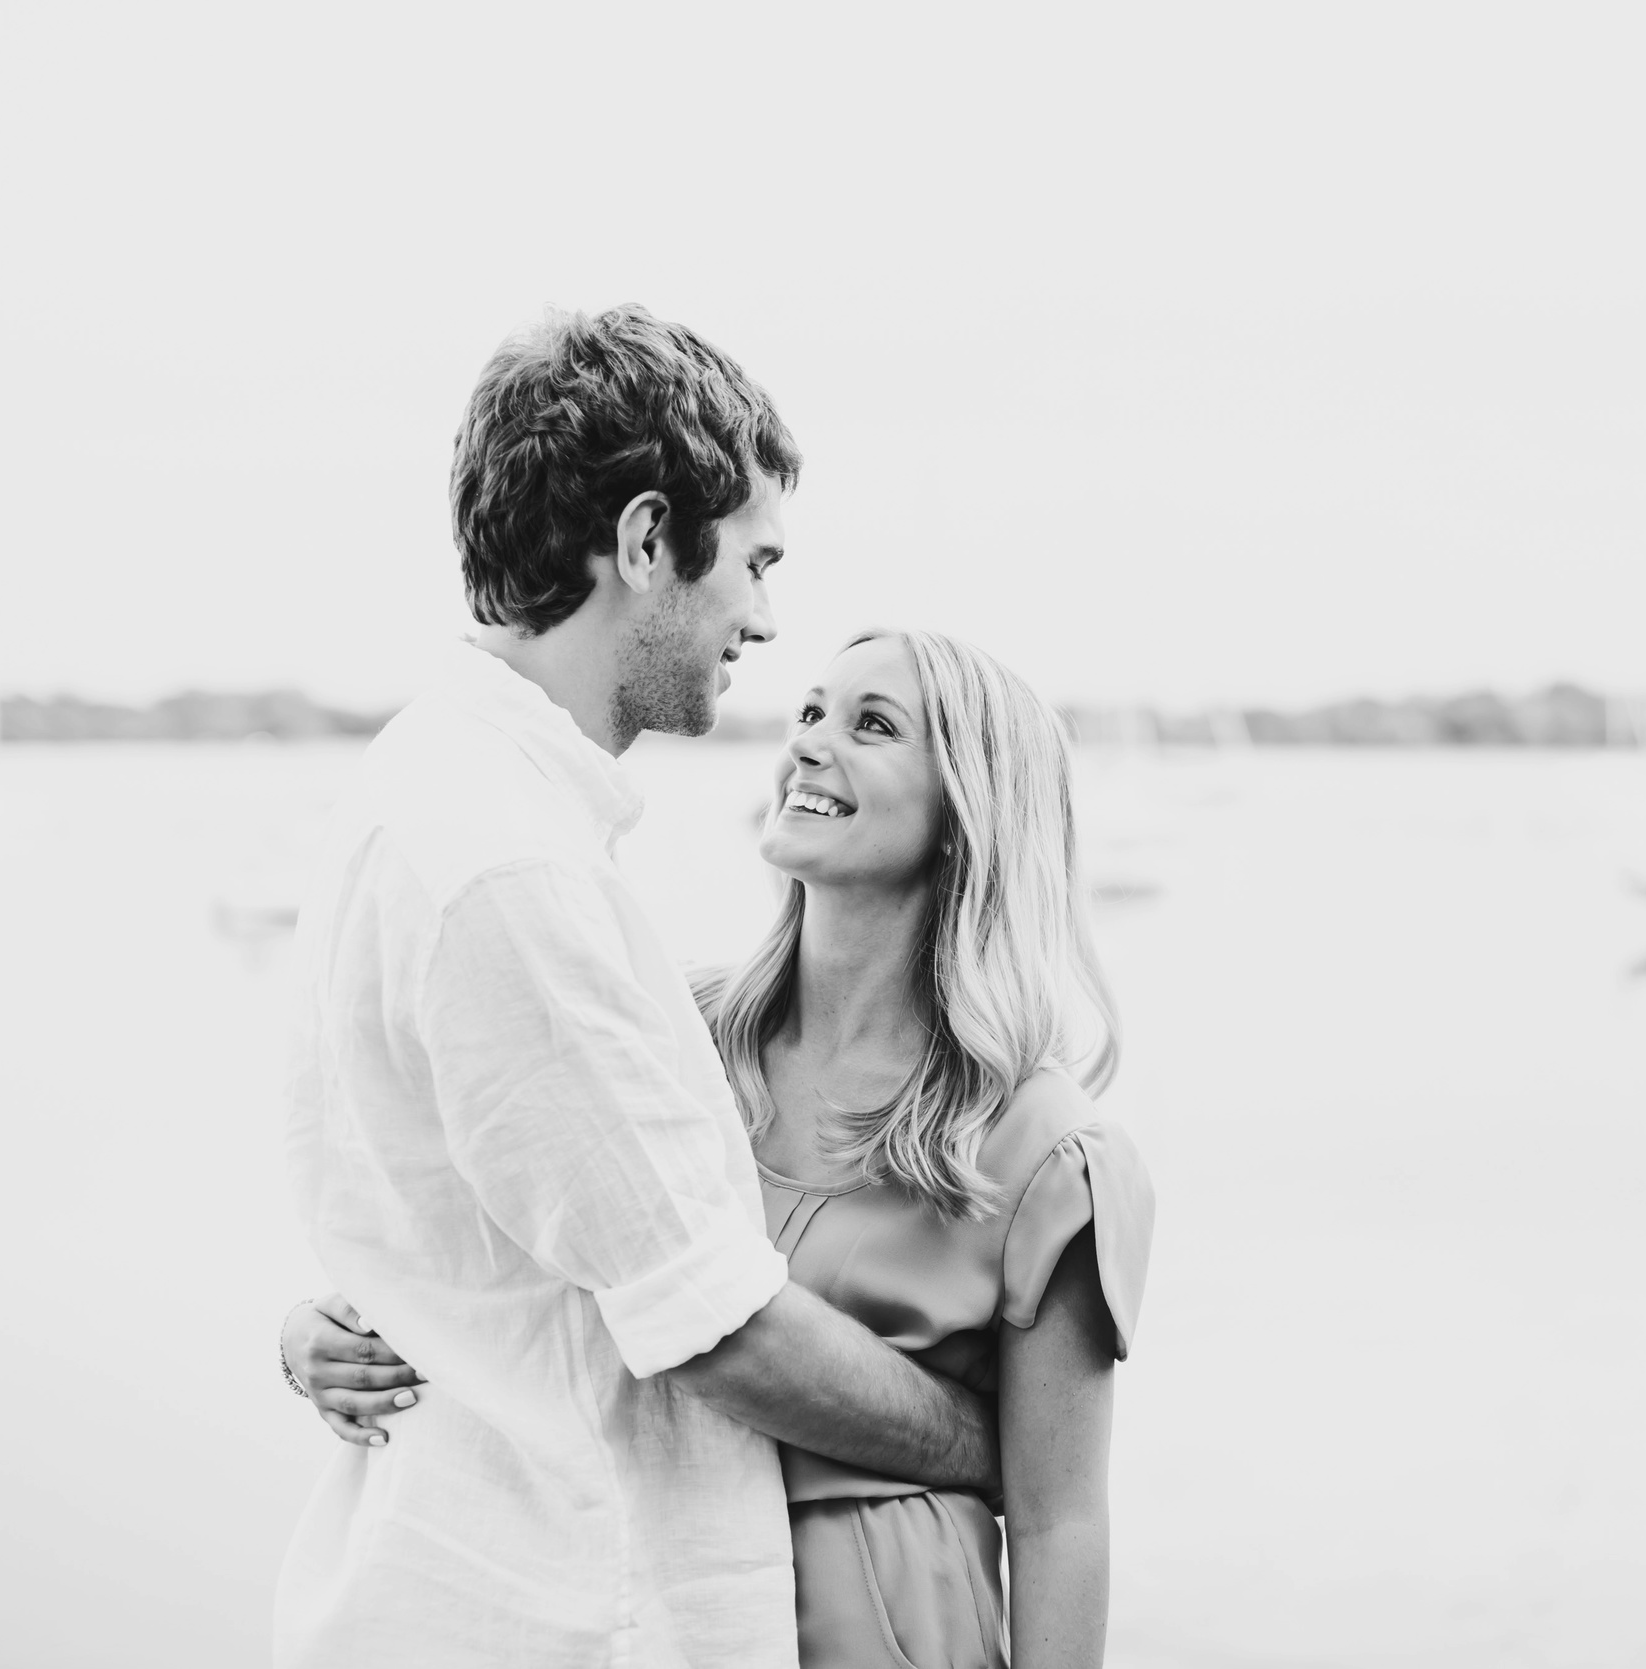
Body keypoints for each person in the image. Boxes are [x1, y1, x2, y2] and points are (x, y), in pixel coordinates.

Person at [277, 308, 1002, 1669]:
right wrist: (989, 1443)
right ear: (648, 540)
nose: (766, 621)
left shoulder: (446, 798)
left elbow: (448, 1223)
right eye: (754, 563)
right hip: (550, 1615)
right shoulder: (503, 864)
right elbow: (714, 1328)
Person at [289, 627, 1153, 1669]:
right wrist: (315, 1331)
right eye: (810, 714)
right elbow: (484, 1247)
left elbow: (1064, 1521)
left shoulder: (1047, 1150)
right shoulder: (665, 1029)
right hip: (648, 1611)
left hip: (894, 1632)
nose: (810, 746)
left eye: (870, 726)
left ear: (968, 811)